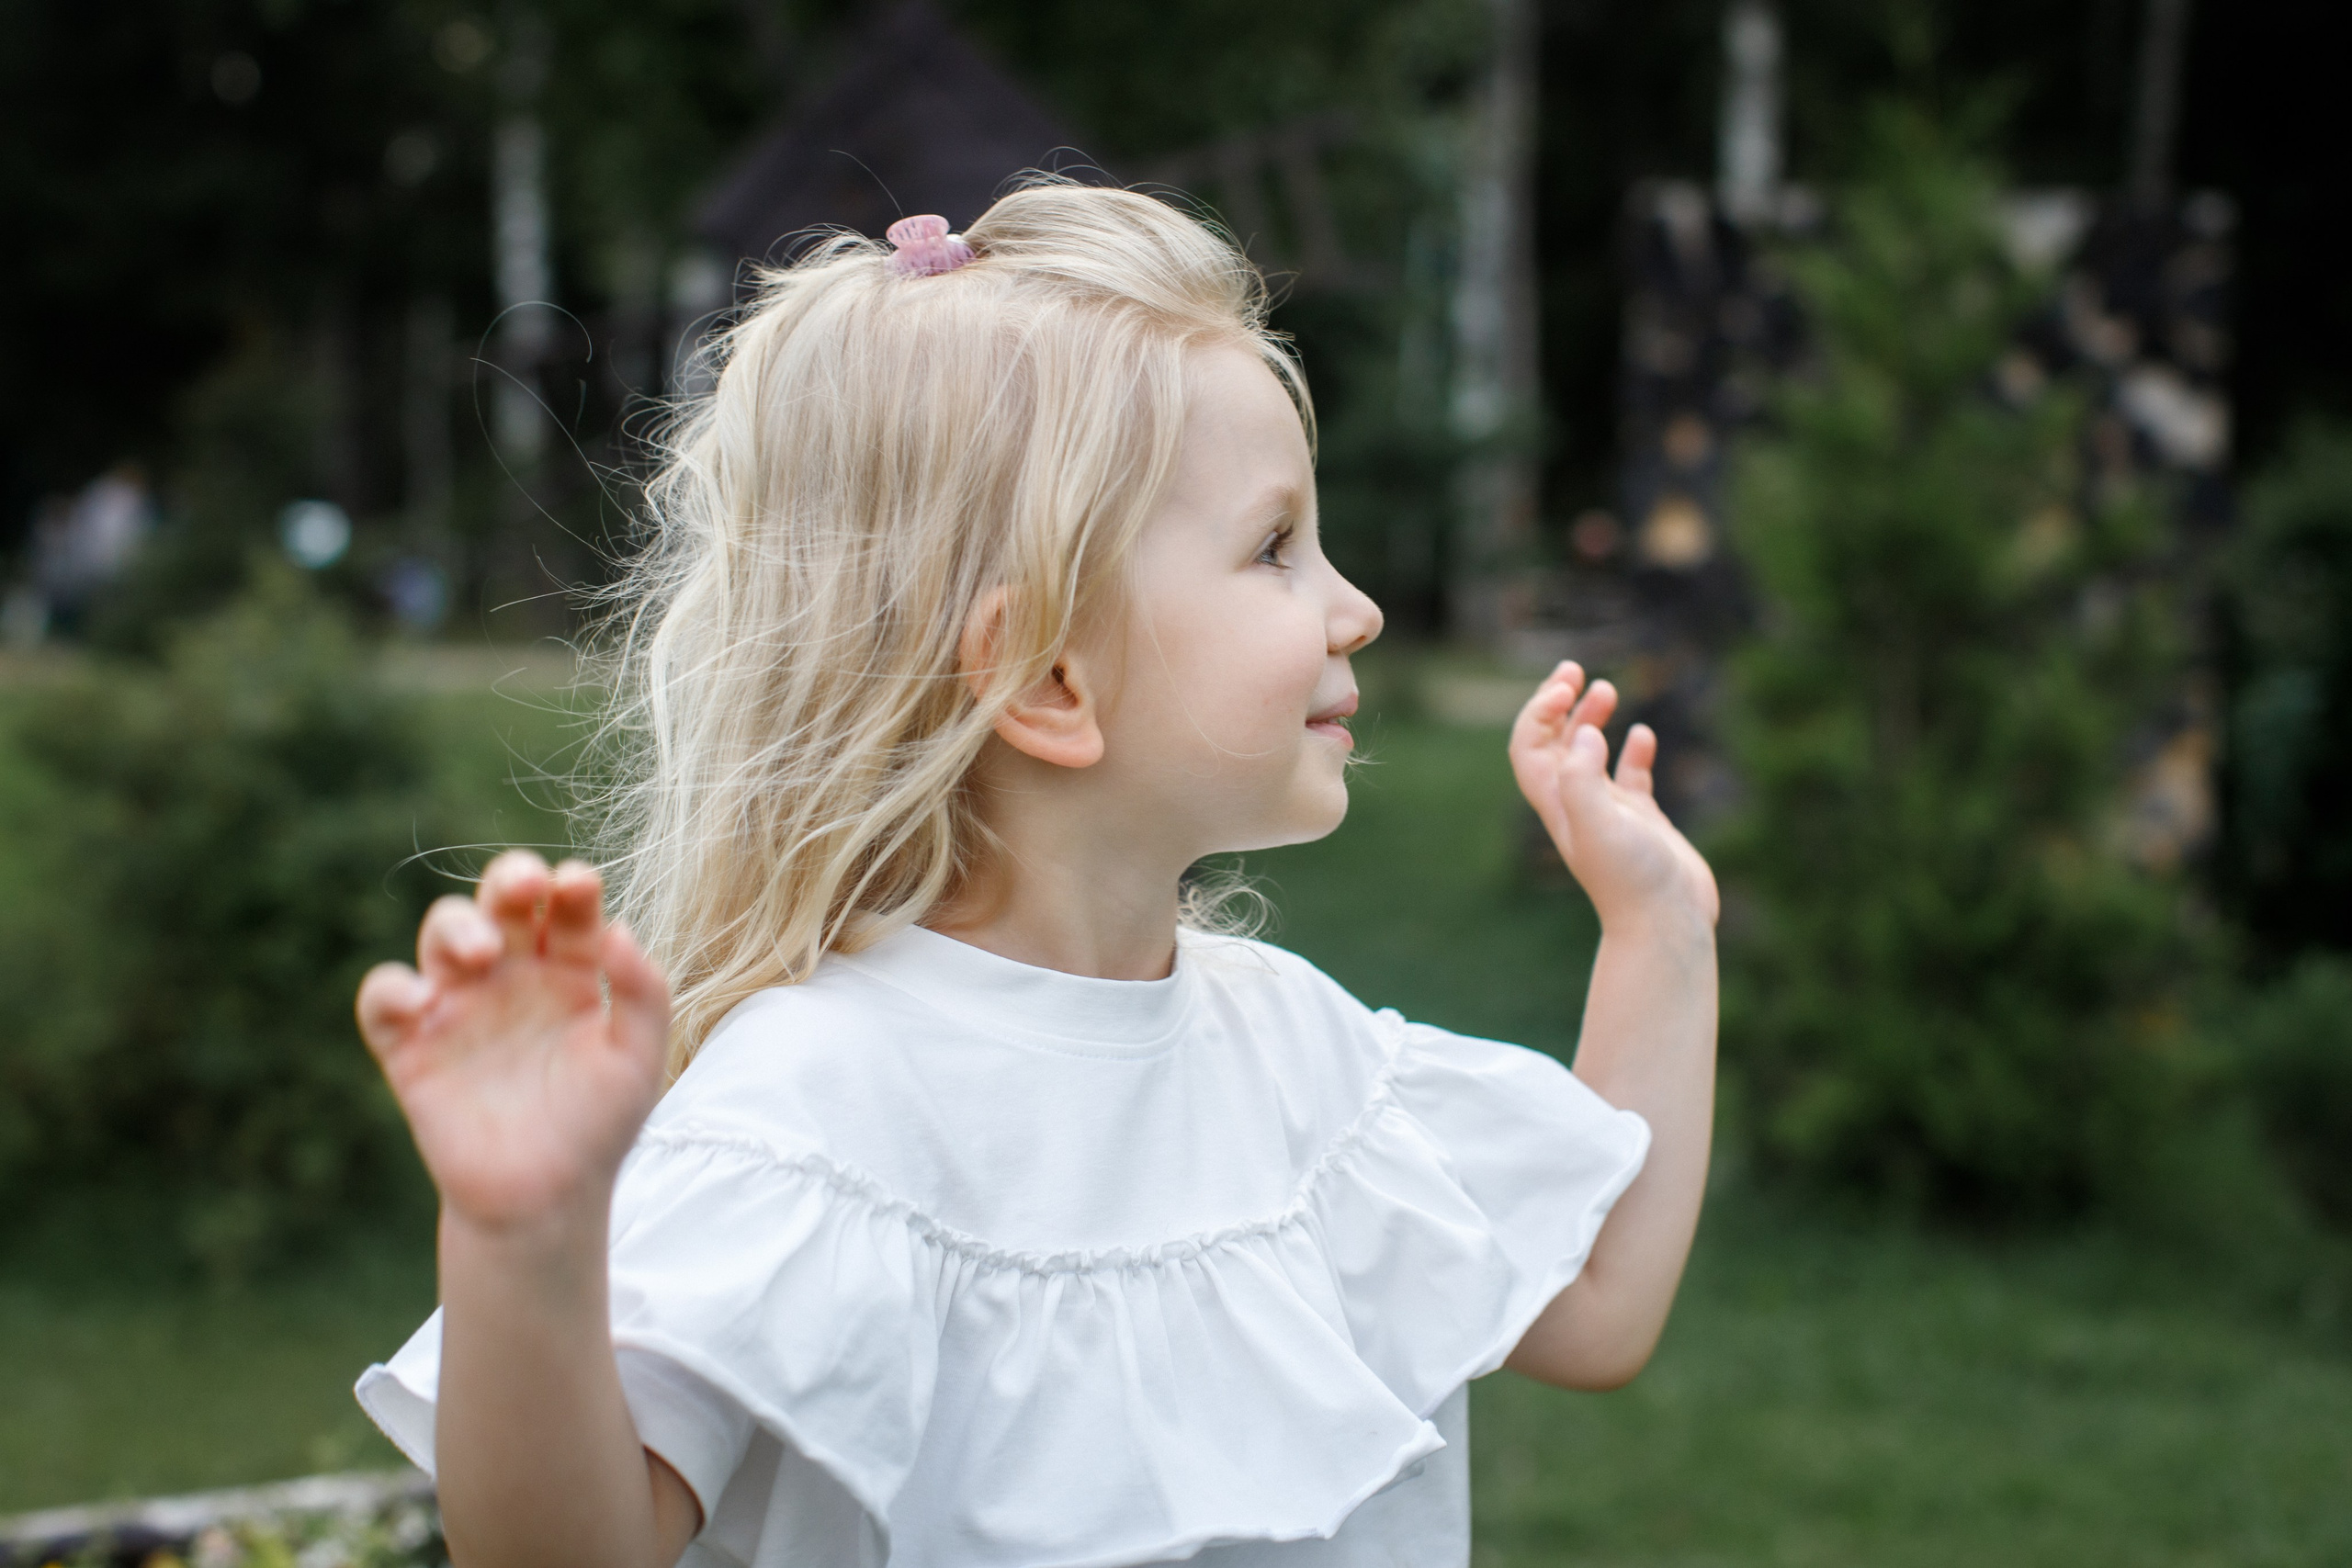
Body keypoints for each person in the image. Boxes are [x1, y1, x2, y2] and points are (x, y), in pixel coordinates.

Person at [353, 187, 1718, 1568]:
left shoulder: (1302, 1059)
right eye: (1274, 548)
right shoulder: (816, 1109)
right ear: (1048, 677)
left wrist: (1662, 927)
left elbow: (1597, 1302)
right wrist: (521, 1239)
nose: (1355, 609)